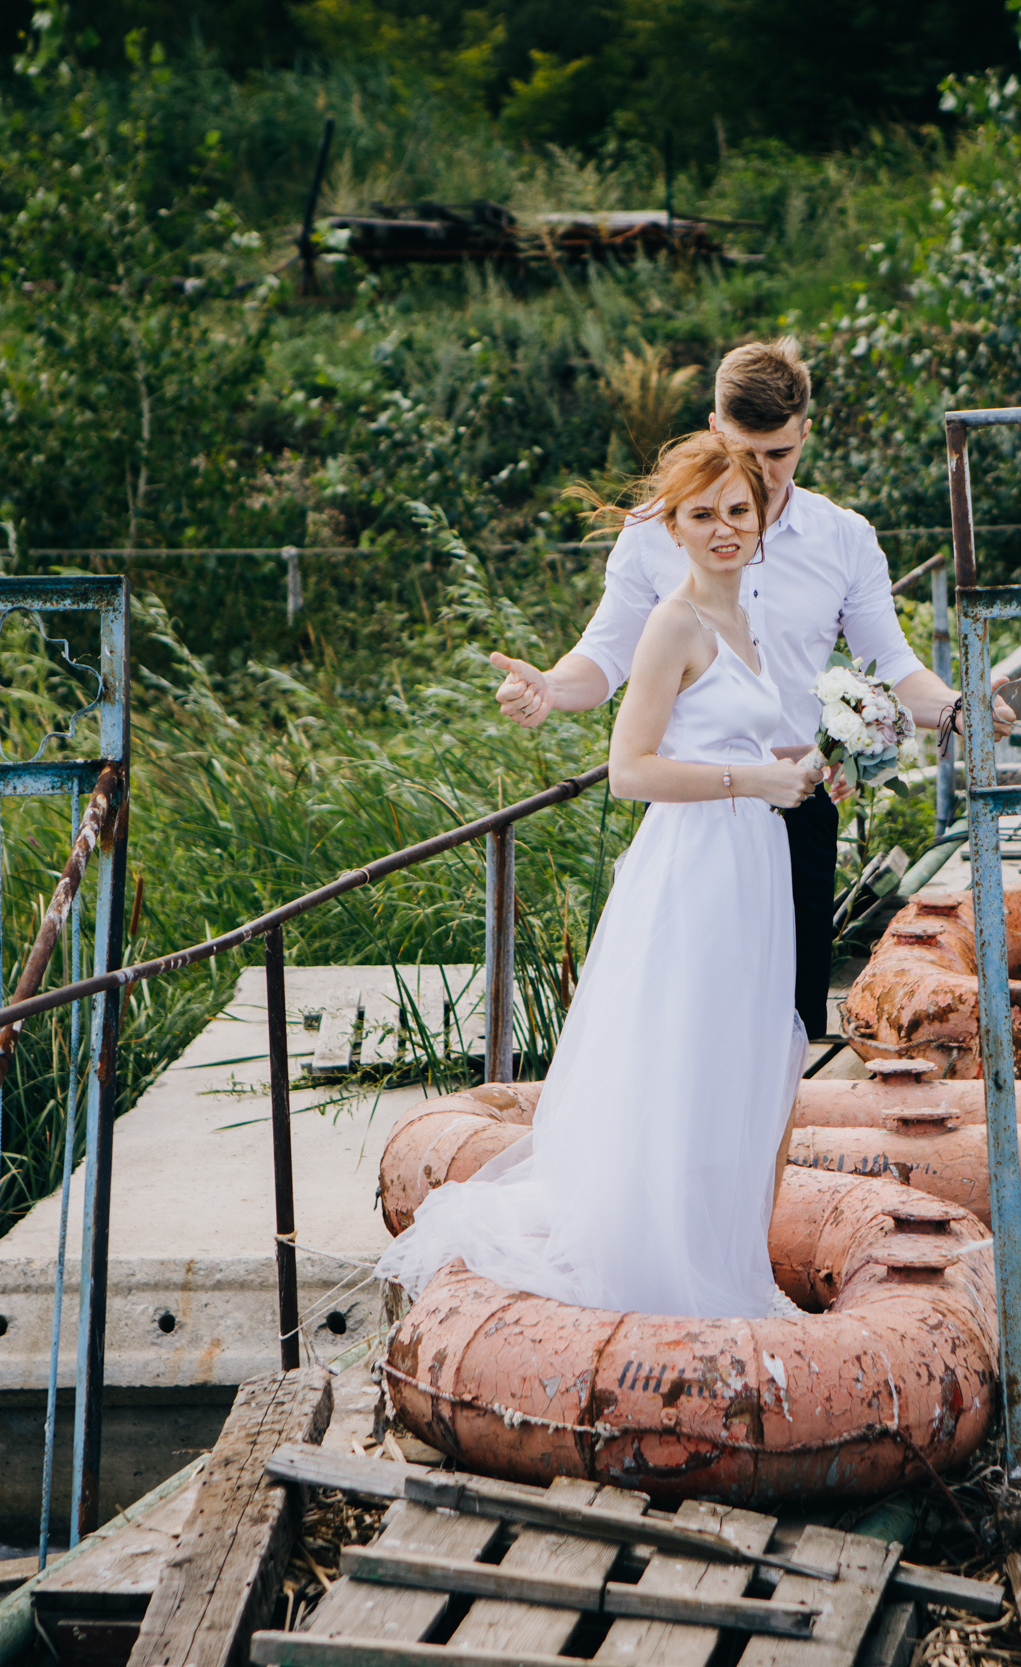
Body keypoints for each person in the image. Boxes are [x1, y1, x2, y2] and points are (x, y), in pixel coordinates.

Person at [376, 433, 825, 1320]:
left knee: (745, 1062)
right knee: (689, 1059)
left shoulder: (753, 619)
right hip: (696, 864)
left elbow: (733, 735)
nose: (725, 529)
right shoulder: (675, 622)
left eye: (739, 510)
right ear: (677, 529)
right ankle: (663, 1274)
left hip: (755, 867)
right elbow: (631, 768)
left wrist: (805, 760)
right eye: (703, 516)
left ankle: (726, 1261)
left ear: (761, 517)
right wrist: (757, 782)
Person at [488, 337, 1014, 1040]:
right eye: (746, 452)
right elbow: (604, 656)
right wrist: (549, 687)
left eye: (780, 455)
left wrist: (957, 710)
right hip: (695, 813)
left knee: (788, 1033)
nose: (764, 476)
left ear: (805, 433)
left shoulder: (843, 538)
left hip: (799, 811)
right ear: (714, 428)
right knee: (688, 1030)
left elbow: (889, 664)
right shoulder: (655, 533)